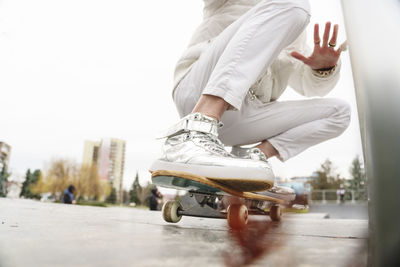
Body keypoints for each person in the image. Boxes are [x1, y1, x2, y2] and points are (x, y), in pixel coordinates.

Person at [150, 0, 350, 192]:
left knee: (340, 113)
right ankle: (195, 129)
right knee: (294, 5)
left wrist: (324, 68)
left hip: (243, 116)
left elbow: (308, 86)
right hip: (199, 89)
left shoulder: (295, 30)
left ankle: (249, 160)